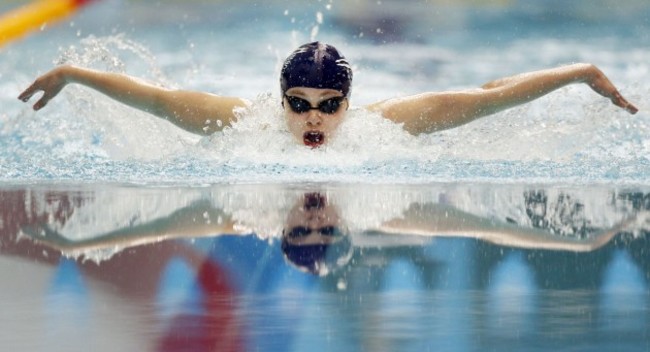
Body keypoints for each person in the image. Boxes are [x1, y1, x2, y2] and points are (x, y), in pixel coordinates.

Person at [18, 41, 638, 148]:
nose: (312, 119)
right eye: (298, 104)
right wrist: (74, 73)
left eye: (328, 106)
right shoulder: (242, 126)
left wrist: (576, 72)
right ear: (279, 99)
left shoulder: (388, 126)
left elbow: (483, 98)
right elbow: (155, 96)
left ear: (348, 104)